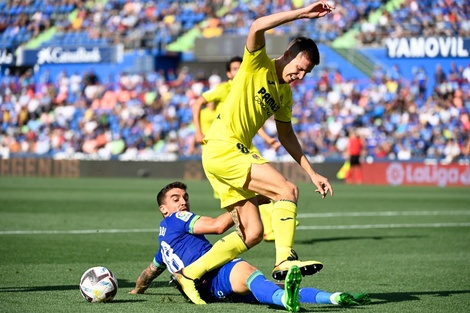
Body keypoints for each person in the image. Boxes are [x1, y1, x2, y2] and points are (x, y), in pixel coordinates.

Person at [176, 1, 336, 305]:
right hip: (225, 147)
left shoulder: (284, 95)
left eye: (307, 73)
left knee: (252, 232)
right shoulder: (256, 63)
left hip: (223, 155)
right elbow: (256, 26)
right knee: (286, 190)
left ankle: (189, 274)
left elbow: (286, 135)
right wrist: (301, 13)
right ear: (287, 54)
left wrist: (313, 173)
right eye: (299, 68)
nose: (300, 76)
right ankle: (284, 260)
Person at [129, 182, 370, 310]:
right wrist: (248, 202)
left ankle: (334, 298)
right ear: (163, 209)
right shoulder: (176, 219)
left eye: (185, 197)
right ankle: (289, 301)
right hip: (214, 274)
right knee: (247, 271)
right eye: (176, 199)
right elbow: (217, 226)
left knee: (269, 289)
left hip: (206, 291)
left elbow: (149, 272)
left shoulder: (164, 244)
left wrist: (137, 290)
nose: (183, 202)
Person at [191, 55, 281, 239]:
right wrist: (198, 132)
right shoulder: (225, 89)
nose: (239, 71)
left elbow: (255, 119)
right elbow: (198, 102)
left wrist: (267, 139)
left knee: (266, 186)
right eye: (234, 69)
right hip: (222, 147)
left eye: (241, 67)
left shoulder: (249, 86)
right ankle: (257, 226)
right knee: (238, 193)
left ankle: (271, 227)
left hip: (243, 145)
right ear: (228, 73)